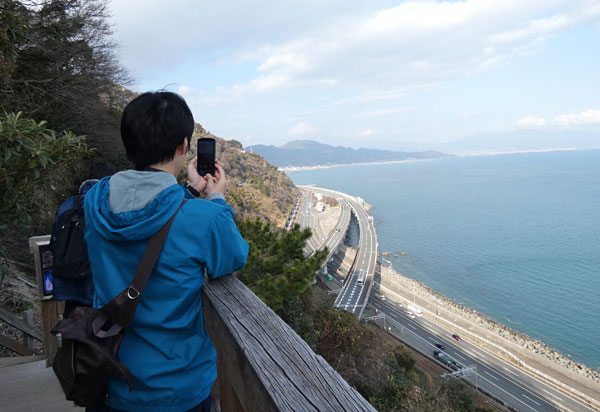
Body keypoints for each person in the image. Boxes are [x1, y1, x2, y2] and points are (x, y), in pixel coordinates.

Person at [83, 91, 249, 412]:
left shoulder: (95, 200)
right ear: (183, 146)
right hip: (178, 388)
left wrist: (187, 190)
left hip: (111, 376)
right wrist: (215, 198)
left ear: (128, 142)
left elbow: (146, 211)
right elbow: (232, 256)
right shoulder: (205, 218)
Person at [50, 160, 116, 316]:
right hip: (99, 289)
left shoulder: (67, 205)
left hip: (69, 287)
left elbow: (54, 243)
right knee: (97, 336)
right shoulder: (110, 205)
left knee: (71, 332)